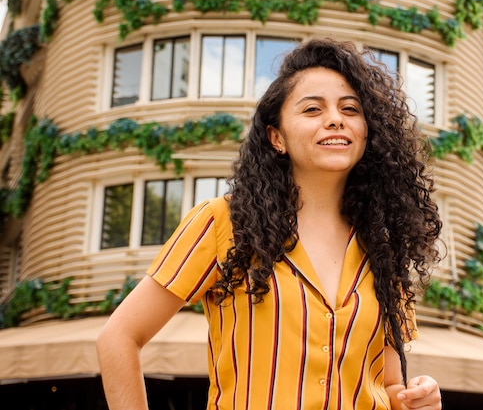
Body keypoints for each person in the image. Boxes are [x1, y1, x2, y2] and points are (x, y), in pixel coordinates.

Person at [97, 38, 443, 410]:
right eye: (312, 109)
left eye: (350, 109)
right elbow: (118, 337)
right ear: (276, 137)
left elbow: (387, 385)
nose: (335, 118)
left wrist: (412, 400)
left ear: (366, 131)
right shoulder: (223, 222)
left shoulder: (384, 250)